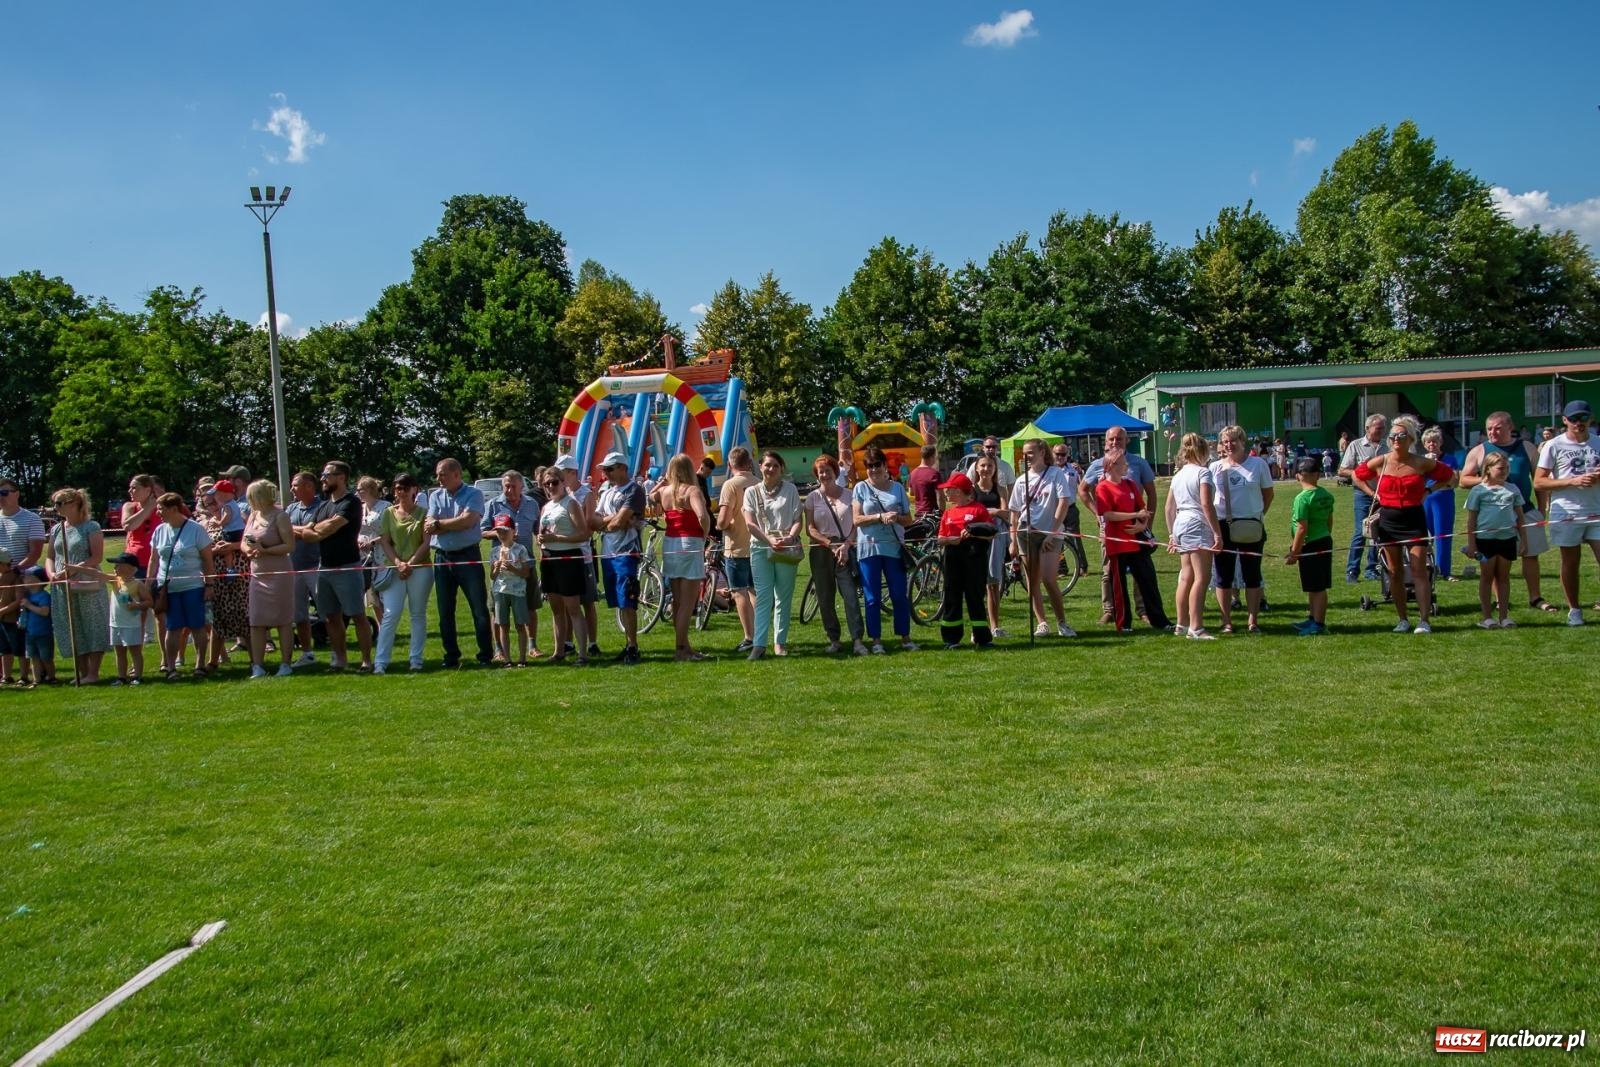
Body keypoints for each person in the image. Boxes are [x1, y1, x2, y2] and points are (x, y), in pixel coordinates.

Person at [1354, 414, 1454, 633]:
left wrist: (1428, 491)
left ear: (1410, 439)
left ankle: (1424, 620)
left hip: (1414, 519)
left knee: (1419, 568)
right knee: (1394, 572)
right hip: (1389, 520)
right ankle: (1402, 619)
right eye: (1393, 436)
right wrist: (1373, 493)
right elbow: (1357, 474)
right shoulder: (1382, 461)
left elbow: (1449, 476)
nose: (1396, 439)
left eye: (1401, 435)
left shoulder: (1421, 462)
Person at [1458, 411, 1553, 613]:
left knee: (1531, 554)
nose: (1492, 432)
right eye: (1489, 428)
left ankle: (1535, 597)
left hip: (1525, 510)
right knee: (1495, 557)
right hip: (1492, 516)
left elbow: (1539, 481)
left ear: (1510, 427)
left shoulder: (1526, 448)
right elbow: (1464, 480)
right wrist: (1489, 481)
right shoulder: (1479, 451)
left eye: (1498, 428)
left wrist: (1541, 509)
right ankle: (1500, 600)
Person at [294, 460, 374, 672]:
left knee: (357, 615)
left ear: (341, 477)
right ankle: (340, 660)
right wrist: (315, 530)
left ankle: (366, 661)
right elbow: (309, 534)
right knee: (330, 617)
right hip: (324, 568)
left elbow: (328, 528)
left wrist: (315, 530)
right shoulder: (323, 505)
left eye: (327, 475)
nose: (322, 479)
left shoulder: (351, 503)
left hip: (347, 566)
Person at [1533, 399, 1600, 626]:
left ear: (1590, 419)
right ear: (1564, 420)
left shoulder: (1598, 442)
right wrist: (1573, 480)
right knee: (1570, 562)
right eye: (1573, 419)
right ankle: (1575, 609)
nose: (1578, 424)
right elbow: (1539, 482)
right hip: (1567, 512)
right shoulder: (1554, 445)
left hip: (1597, 511)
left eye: (1583, 418)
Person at [1080, 427, 1155, 625]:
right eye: (1111, 439)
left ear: (1127, 440)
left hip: (1135, 527)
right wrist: (1097, 513)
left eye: (1119, 439)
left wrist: (1146, 523)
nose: (1115, 442)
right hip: (1111, 529)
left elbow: (1151, 494)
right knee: (1109, 571)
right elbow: (1083, 490)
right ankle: (1109, 609)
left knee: (1140, 570)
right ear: (1106, 441)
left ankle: (1142, 610)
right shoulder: (1097, 465)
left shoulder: (1138, 462)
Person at [1093, 448, 1171, 634]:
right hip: (1117, 544)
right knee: (1119, 585)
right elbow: (1108, 514)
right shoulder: (1102, 487)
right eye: (1122, 463)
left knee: (1148, 581)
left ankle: (1159, 620)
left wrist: (1141, 524)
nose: (1126, 466)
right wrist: (1134, 515)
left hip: (1136, 543)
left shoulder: (1129, 484)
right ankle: (1124, 623)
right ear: (1112, 466)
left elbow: (1142, 509)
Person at [425, 457, 492, 668]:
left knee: (479, 609)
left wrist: (439, 524)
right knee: (445, 611)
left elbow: (468, 521)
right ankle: (451, 656)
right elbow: (428, 525)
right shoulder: (435, 496)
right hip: (442, 557)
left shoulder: (474, 494)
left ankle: (485, 655)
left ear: (456, 474)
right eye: (437, 474)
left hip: (468, 556)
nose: (438, 478)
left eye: (442, 474)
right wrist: (447, 524)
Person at [853, 443, 919, 654]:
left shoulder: (898, 488)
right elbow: (857, 520)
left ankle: (905, 638)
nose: (873, 469)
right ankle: (876, 641)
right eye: (869, 466)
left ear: (884, 465)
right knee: (872, 598)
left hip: (893, 548)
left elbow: (908, 520)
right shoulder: (860, 488)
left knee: (899, 594)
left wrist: (896, 518)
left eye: (877, 464)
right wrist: (879, 517)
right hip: (869, 549)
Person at [1210, 424, 1274, 635]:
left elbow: (1268, 494)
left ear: (1242, 441)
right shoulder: (1215, 467)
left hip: (1251, 525)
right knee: (1223, 576)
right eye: (1225, 441)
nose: (1229, 445)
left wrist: (1257, 513)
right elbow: (1209, 499)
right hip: (1223, 525)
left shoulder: (1258, 464)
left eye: (1233, 440)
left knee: (1252, 574)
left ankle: (1252, 620)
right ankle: (1226, 620)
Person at [45, 487, 111, 684]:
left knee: (92, 624)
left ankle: (93, 672)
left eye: (59, 504)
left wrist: (72, 570)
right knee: (72, 627)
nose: (55, 508)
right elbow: (50, 557)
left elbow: (96, 556)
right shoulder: (57, 529)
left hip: (86, 583)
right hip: (62, 584)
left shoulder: (91, 526)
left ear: (73, 504)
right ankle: (82, 673)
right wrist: (51, 574)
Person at [1013, 439, 1077, 638]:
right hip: (1026, 532)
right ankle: (1042, 622)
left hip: (1051, 532)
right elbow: (1014, 511)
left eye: (1031, 452)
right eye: (1025, 453)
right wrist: (1013, 540)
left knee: (1049, 578)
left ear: (1042, 452)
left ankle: (1062, 622)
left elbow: (1063, 502)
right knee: (1033, 581)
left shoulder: (1055, 474)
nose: (1027, 456)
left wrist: (1052, 532)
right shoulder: (1021, 479)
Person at [742, 450, 803, 661]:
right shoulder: (751, 492)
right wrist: (769, 540)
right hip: (760, 548)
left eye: (775, 466)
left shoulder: (791, 490)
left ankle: (780, 642)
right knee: (763, 597)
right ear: (760, 466)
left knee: (783, 597)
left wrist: (790, 538)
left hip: (786, 548)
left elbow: (797, 520)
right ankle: (759, 645)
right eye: (767, 465)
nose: (771, 469)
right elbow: (750, 523)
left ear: (781, 469)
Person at [805, 454, 866, 655]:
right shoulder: (813, 497)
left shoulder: (850, 495)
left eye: (827, 470)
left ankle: (857, 639)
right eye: (820, 471)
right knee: (825, 597)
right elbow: (810, 529)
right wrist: (830, 545)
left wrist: (846, 546)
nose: (824, 474)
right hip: (821, 551)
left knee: (850, 596)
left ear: (835, 472)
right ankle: (834, 639)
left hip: (846, 550)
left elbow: (857, 524)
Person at [655, 453, 714, 661]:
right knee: (688, 603)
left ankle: (684, 646)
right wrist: (704, 535)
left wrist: (660, 483)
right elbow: (702, 515)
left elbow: (651, 497)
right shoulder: (692, 491)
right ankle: (681, 648)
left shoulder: (664, 491)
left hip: (670, 544)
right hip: (690, 543)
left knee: (679, 601)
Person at [150, 491, 215, 680]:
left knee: (197, 626)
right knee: (172, 627)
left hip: (192, 586)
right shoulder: (159, 530)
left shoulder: (196, 529)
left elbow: (207, 560)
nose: (158, 513)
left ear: (173, 509)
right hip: (168, 588)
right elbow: (154, 560)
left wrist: (209, 584)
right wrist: (150, 582)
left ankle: (200, 664)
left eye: (161, 509)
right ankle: (171, 667)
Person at [1164, 433, 1221, 640]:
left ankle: (1181, 623)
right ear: (1203, 451)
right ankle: (1196, 627)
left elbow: (1169, 508)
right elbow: (1206, 504)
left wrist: (1172, 533)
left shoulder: (1178, 475)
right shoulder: (1203, 473)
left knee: (1186, 576)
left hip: (1181, 524)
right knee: (1201, 577)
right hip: (1196, 523)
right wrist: (1217, 533)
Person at [374, 472, 433, 674]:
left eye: (406, 488)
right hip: (395, 570)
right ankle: (380, 662)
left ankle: (416, 659)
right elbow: (385, 541)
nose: (402, 492)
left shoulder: (424, 513)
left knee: (417, 614)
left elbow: (426, 542)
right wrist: (399, 563)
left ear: (414, 489)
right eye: (398, 488)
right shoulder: (389, 513)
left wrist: (410, 564)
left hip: (420, 568)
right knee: (391, 614)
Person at [481, 469, 543, 659]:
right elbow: (482, 531)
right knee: (497, 609)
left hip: (526, 564)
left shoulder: (532, 504)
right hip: (501, 567)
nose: (509, 490)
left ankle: (532, 645)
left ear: (521, 486)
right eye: (506, 486)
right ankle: (499, 649)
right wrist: (502, 533)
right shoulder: (492, 505)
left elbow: (537, 529)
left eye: (513, 486)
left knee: (530, 606)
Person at [594, 451, 648, 665]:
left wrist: (610, 522)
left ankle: (633, 646)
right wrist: (613, 519)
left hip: (626, 550)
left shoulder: (634, 489)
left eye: (609, 468)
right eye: (604, 469)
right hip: (608, 552)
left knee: (628, 599)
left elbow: (617, 523)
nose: (606, 473)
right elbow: (594, 521)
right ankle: (627, 644)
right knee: (618, 601)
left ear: (623, 468)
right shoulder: (607, 492)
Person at [1464, 452, 1527, 629]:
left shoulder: (1513, 489)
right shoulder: (1478, 491)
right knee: (1487, 576)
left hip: (1507, 539)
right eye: (1500, 468)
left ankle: (1504, 616)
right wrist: (1472, 544)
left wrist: (1523, 541)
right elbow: (1471, 520)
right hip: (1485, 540)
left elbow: (1520, 518)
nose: (1504, 471)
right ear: (1488, 469)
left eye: (1507, 468)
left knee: (1504, 577)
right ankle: (1487, 617)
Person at [933, 471, 994, 649]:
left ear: (959, 491)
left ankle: (982, 638)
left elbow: (991, 533)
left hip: (974, 558)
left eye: (949, 490)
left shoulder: (978, 509)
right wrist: (950, 540)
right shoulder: (948, 513)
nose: (946, 493)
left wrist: (974, 531)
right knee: (952, 596)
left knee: (975, 596)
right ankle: (951, 639)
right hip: (952, 557)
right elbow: (940, 538)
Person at [241, 479, 296, 678]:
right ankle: (257, 665)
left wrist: (266, 551)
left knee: (283, 620)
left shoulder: (280, 516)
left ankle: (286, 663)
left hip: (279, 573)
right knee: (256, 621)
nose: (249, 501)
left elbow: (289, 546)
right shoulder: (253, 516)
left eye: (252, 497)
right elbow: (245, 541)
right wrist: (249, 550)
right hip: (258, 574)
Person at [537, 467, 591, 665]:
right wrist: (541, 539)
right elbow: (541, 533)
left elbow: (584, 534)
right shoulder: (546, 506)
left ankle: (583, 654)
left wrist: (556, 537)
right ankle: (558, 651)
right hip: (549, 559)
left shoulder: (571, 504)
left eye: (554, 482)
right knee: (556, 609)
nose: (550, 487)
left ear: (562, 482)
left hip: (569, 559)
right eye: (546, 484)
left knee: (573, 608)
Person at [554, 455, 602, 658]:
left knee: (587, 601)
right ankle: (567, 641)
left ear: (572, 472)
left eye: (562, 473)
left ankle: (592, 642)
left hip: (583, 554)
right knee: (566, 602)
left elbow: (589, 525)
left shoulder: (586, 494)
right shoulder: (559, 495)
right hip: (563, 553)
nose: (558, 477)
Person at [1283, 457, 1335, 636]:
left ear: (1297, 476)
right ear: (1318, 475)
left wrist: (1294, 553)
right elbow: (1329, 521)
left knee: (1317, 587)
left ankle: (1319, 624)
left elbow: (1301, 528)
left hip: (1311, 544)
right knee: (1313, 585)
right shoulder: (1326, 495)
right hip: (1324, 540)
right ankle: (1313, 618)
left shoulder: (1302, 499)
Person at [717, 446, 759, 653]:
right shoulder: (759, 484)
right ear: (749, 463)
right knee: (754, 590)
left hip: (736, 546)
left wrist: (720, 526)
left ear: (730, 464)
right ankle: (760, 634)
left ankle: (749, 636)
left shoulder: (730, 485)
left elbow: (724, 519)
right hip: (758, 544)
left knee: (739, 592)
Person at [970, 454, 1012, 639]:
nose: (986, 469)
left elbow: (1006, 512)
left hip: (996, 538)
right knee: (977, 585)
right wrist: (992, 513)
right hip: (976, 540)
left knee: (994, 583)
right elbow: (968, 513)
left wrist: (994, 512)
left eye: (990, 466)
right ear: (977, 468)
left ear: (995, 469)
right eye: (983, 466)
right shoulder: (971, 490)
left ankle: (994, 625)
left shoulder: (1000, 489)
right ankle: (978, 627)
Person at [284, 471, 322, 665]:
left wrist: (296, 530)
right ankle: (307, 654)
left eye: (295, 485)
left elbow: (315, 531)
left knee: (328, 613)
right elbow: (284, 530)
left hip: (317, 565)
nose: (292, 489)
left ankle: (337, 653)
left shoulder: (322, 507)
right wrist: (303, 530)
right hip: (294, 568)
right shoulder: (291, 509)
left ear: (308, 486)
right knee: (299, 615)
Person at [488, 514, 533, 665]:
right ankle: (507, 659)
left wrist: (513, 568)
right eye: (499, 532)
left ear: (513, 531)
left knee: (520, 624)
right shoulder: (494, 551)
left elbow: (526, 573)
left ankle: (522, 658)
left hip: (518, 591)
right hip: (500, 591)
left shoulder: (521, 550)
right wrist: (495, 568)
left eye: (505, 531)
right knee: (503, 625)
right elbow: (492, 576)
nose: (501, 535)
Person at [1420, 426, 1457, 581]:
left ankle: (1443, 570)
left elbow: (1454, 481)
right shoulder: (1421, 460)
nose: (1431, 445)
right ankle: (1425, 569)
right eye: (1428, 442)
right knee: (1423, 536)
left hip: (1444, 499)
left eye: (1434, 441)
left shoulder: (1450, 459)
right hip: (1425, 499)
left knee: (1443, 534)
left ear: (1440, 442)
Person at [355, 475, 391, 628]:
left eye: (360, 490)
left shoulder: (385, 507)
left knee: (382, 591)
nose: (357, 493)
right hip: (363, 556)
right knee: (371, 593)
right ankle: (381, 626)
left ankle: (388, 626)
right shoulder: (360, 508)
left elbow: (389, 532)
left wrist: (372, 542)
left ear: (369, 490)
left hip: (382, 554)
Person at [1051, 443, 1091, 578]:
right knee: (1056, 539)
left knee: (1074, 538)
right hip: (1054, 510)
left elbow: (1083, 487)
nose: (1060, 457)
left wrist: (1080, 472)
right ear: (1053, 454)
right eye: (1058, 454)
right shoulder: (1048, 470)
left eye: (1063, 454)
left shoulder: (1073, 469)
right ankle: (1061, 568)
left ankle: (1082, 566)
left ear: (1068, 455)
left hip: (1070, 509)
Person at [19, 566, 57, 685]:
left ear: (39, 581)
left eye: (29, 577)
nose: (25, 579)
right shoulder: (28, 596)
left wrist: (29, 605)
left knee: (46, 658)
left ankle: (51, 677)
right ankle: (36, 680)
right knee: (33, 658)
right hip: (30, 633)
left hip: (44, 633)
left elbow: (45, 612)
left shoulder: (44, 596)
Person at [908, 443, 942, 519]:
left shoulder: (912, 473)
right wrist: (941, 513)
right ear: (932, 457)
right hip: (932, 515)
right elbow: (940, 496)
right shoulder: (934, 474)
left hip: (918, 515)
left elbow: (911, 492)